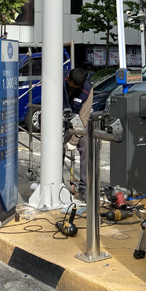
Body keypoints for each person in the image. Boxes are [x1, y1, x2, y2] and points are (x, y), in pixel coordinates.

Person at [63, 67, 93, 200]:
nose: (73, 88)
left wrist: (73, 141)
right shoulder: (58, 80)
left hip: (77, 123)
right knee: (56, 149)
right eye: (72, 86)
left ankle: (84, 186)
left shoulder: (87, 89)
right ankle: (57, 184)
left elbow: (84, 118)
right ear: (68, 79)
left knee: (86, 146)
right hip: (59, 122)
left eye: (77, 87)